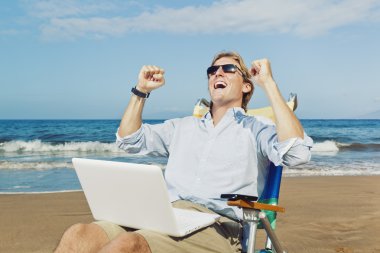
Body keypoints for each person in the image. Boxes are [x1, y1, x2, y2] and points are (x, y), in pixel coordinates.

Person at [55, 51, 313, 253]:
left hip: (217, 227)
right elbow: (129, 140)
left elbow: (298, 152)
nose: (217, 73)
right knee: (78, 235)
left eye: (228, 69)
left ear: (247, 85)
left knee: (129, 245)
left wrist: (268, 83)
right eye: (212, 70)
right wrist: (141, 91)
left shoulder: (257, 128)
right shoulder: (182, 126)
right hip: (164, 216)